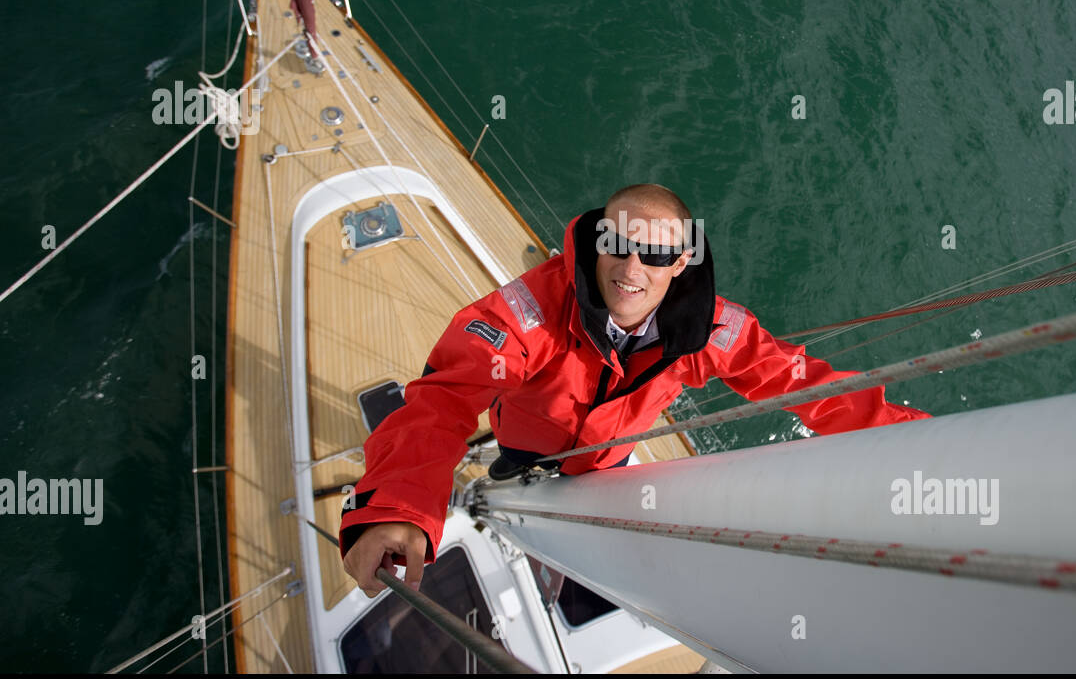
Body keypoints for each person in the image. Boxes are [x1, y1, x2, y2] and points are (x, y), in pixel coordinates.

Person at [339, 183, 930, 596]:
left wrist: (914, 444)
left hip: (609, 462)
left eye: (655, 253)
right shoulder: (529, 314)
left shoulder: (710, 332)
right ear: (598, 242)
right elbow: (444, 398)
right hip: (522, 439)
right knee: (505, 459)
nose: (631, 267)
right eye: (618, 244)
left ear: (682, 262)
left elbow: (801, 385)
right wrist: (400, 506)